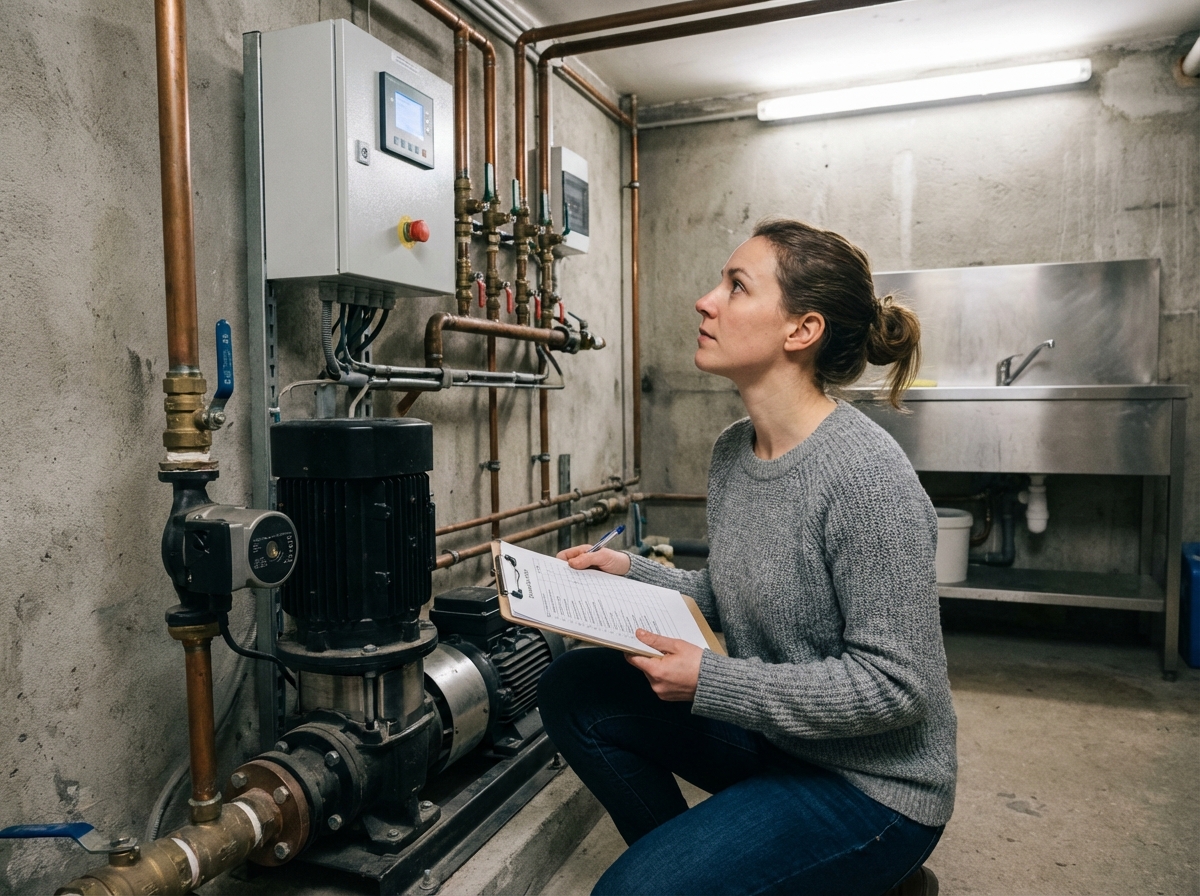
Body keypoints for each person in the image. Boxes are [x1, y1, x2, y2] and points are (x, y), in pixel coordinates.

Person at [538, 217, 957, 896]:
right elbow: (737, 589)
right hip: (784, 738)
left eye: (736, 287)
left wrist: (713, 682)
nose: (705, 301)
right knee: (575, 690)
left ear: (802, 331)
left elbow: (897, 689)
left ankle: (878, 870)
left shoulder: (868, 480)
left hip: (874, 786)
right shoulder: (734, 450)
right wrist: (630, 571)